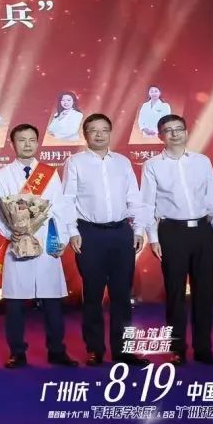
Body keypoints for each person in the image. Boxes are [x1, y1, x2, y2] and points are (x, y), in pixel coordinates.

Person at [62, 113, 151, 366]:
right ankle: (95, 349)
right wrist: (72, 232)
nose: (99, 134)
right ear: (85, 135)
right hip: (89, 234)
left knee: (122, 294)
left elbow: (134, 197)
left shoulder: (122, 163)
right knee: (93, 294)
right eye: (93, 130)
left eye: (104, 130)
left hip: (121, 232)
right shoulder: (75, 163)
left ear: (110, 133)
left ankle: (123, 350)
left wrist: (139, 229)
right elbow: (67, 199)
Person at [0, 124, 78, 368]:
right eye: (22, 140)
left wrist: (61, 239)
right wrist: (12, 233)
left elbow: (60, 209)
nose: (27, 144)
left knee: (52, 302)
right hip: (17, 242)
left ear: (38, 143)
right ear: (12, 144)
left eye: (31, 139)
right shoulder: (2, 175)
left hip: (46, 241)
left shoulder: (49, 173)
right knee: (15, 303)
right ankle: (17, 353)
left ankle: (57, 351)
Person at [143, 114, 213, 366]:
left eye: (179, 129)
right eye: (168, 130)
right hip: (172, 232)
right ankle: (177, 348)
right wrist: (153, 238)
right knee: (175, 293)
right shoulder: (152, 165)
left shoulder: (202, 161)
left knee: (204, 292)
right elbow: (148, 204)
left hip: (202, 231)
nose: (174, 134)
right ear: (160, 136)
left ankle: (204, 349)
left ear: (186, 132)